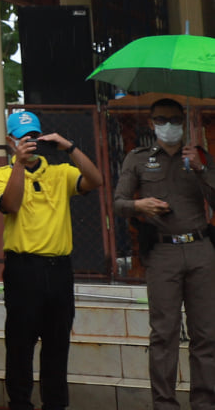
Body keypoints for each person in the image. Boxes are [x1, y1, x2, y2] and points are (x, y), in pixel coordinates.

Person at [0, 109, 102, 410]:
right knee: (20, 343)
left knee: (57, 343)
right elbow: (10, 205)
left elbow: (95, 180)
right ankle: (20, 402)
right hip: (23, 269)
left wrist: (70, 147)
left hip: (59, 269)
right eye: (23, 138)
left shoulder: (60, 172)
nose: (29, 142)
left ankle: (55, 404)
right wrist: (19, 165)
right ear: (10, 141)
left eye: (34, 137)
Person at [114, 96, 215, 410]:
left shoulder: (199, 156)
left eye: (174, 119)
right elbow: (118, 203)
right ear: (151, 123)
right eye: (161, 119)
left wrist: (201, 169)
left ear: (183, 121)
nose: (168, 125)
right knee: (164, 333)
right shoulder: (138, 158)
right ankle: (164, 403)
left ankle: (205, 402)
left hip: (200, 248)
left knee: (206, 333)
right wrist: (139, 205)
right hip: (162, 251)